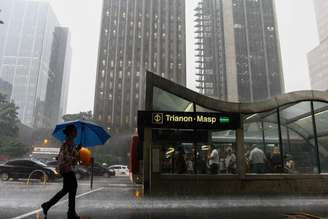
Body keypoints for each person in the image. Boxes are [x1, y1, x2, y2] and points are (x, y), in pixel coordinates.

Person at [41, 124, 81, 219]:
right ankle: (70, 212)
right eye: (74, 131)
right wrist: (75, 155)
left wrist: (77, 150)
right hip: (66, 169)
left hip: (67, 169)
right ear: (70, 133)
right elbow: (65, 157)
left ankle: (48, 205)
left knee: (67, 189)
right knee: (72, 187)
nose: (76, 133)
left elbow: (72, 156)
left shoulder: (71, 143)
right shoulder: (66, 143)